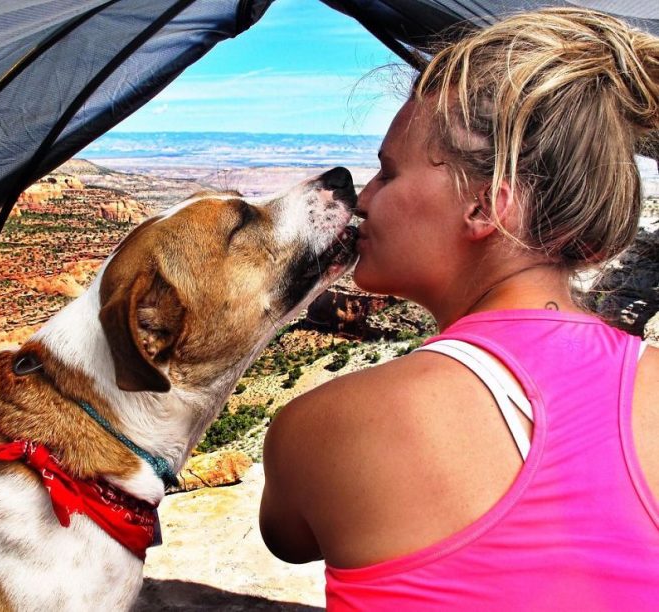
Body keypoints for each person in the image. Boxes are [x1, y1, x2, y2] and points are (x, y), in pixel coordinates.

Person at [259, 8, 659, 610]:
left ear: (484, 208)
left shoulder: (325, 426)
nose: (364, 197)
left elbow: (287, 537)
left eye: (388, 173)